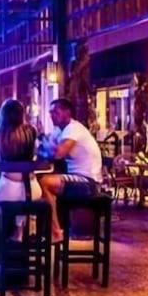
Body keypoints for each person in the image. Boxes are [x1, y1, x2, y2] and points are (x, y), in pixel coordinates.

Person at [0, 99, 42, 248]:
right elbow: (35, 154)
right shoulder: (31, 131)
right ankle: (19, 233)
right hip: (33, 189)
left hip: (8, 188)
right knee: (22, 197)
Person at [38, 98, 103, 242]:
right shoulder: (59, 131)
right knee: (41, 182)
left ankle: (55, 231)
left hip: (88, 182)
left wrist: (46, 147)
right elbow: (45, 148)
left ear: (67, 113)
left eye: (56, 112)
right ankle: (46, 230)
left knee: (44, 182)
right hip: (77, 177)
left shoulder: (73, 129)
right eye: (50, 112)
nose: (52, 115)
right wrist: (45, 146)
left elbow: (57, 154)